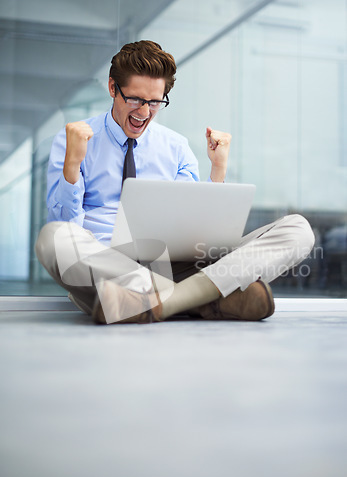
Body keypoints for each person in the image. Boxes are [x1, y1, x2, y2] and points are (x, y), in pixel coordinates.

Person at [35, 40, 315, 324]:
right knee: (52, 238)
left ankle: (156, 302)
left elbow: (198, 231)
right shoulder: (73, 139)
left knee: (298, 230)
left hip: (176, 264)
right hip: (108, 264)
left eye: (155, 102)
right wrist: (73, 164)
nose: (144, 112)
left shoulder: (176, 147)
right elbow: (68, 226)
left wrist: (217, 171)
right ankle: (205, 299)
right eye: (135, 99)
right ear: (112, 88)